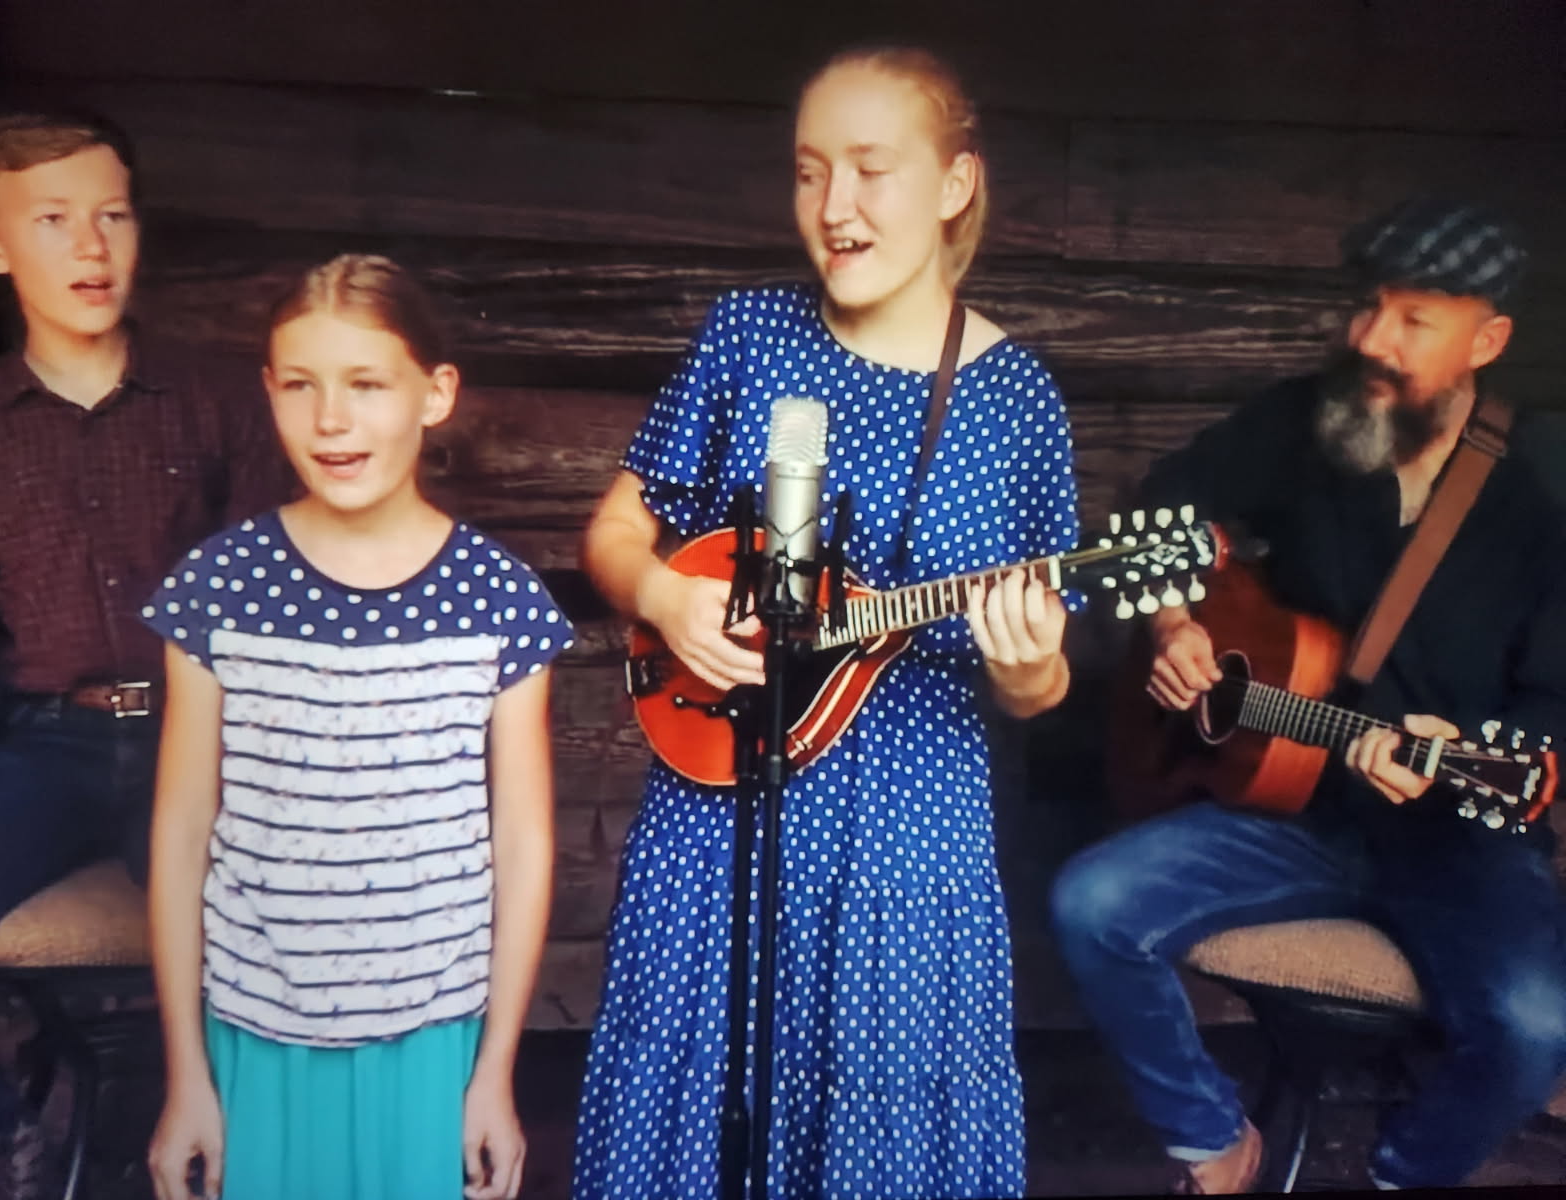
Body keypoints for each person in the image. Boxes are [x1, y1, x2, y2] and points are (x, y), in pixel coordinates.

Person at [573, 45, 1080, 1199]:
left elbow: (1038, 685)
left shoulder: (1015, 400)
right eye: (809, 173)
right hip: (724, 808)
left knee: (877, 1121)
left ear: (955, 185)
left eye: (869, 169)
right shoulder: (748, 336)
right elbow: (616, 533)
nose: (833, 207)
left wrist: (1029, 665)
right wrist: (662, 595)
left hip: (909, 826)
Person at [1051, 197, 1566, 1193]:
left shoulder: (1548, 483)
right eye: (1369, 307)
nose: (1371, 339)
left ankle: (1398, 1175)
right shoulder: (1305, 424)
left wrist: (1451, 745)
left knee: (1534, 1027)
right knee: (1091, 901)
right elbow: (1158, 509)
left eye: (1414, 320)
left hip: (1457, 835)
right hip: (1289, 811)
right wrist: (1173, 628)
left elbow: (1554, 707)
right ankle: (1215, 1143)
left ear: (1486, 340)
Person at [143, 255, 569, 1200]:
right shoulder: (218, 589)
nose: (331, 420)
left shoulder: (499, 600)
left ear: (435, 393)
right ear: (269, 392)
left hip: (435, 1043)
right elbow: (180, 835)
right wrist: (186, 1079)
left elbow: (525, 842)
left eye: (367, 385)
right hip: (255, 1035)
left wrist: (496, 1071)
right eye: (301, 385)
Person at [0, 106, 287, 1159]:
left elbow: (269, 598)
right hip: (42, 739)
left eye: (112, 215)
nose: (92, 247)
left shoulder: (217, 396)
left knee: (248, 913)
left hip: (198, 729)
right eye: (52, 218)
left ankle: (243, 1143)